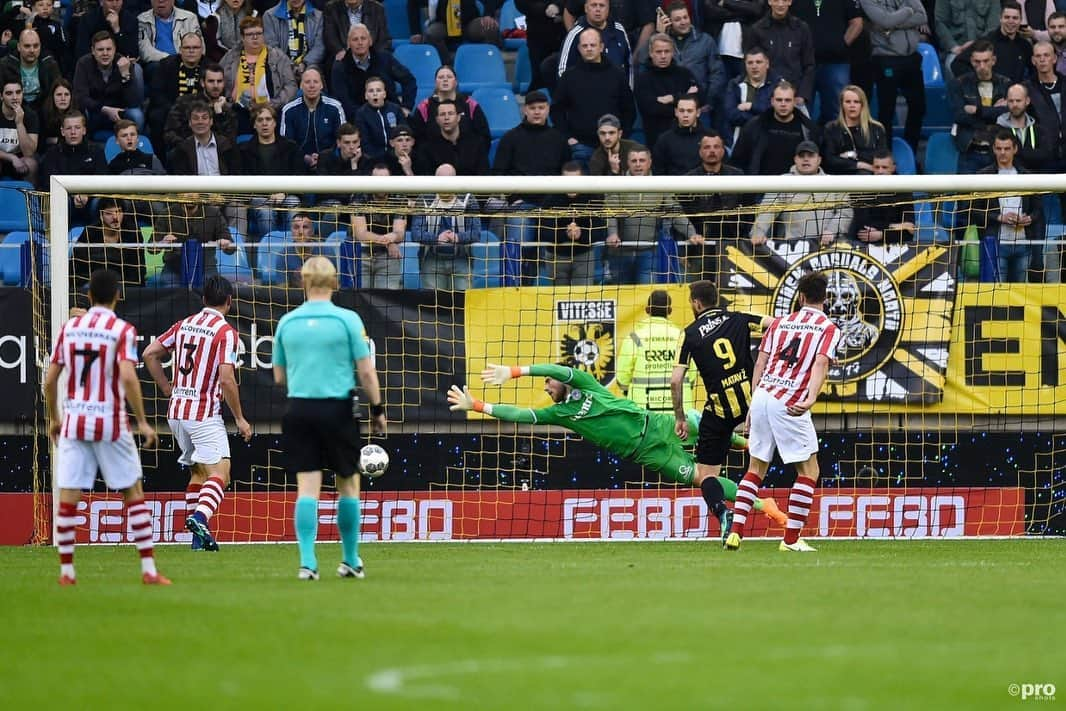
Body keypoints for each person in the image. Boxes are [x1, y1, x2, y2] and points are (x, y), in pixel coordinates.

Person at [447, 363, 786, 542]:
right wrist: (478, 405)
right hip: (648, 454)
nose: (546, 386)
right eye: (545, 385)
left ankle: (750, 444)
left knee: (703, 423)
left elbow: (553, 368)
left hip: (656, 425)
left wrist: (515, 372)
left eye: (549, 383)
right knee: (702, 477)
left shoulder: (585, 383)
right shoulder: (559, 414)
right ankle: (761, 505)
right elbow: (520, 415)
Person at [44, 268, 169, 585]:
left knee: (69, 493)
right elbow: (128, 376)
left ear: (88, 296)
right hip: (110, 421)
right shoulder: (121, 329)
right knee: (132, 491)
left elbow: (50, 380)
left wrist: (54, 418)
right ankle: (148, 570)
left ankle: (67, 573)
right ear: (117, 296)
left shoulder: (69, 329)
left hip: (74, 421)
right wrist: (142, 421)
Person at [273, 256, 386, 580]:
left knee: (307, 487)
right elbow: (366, 371)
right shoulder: (348, 320)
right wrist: (378, 409)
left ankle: (307, 563)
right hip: (338, 408)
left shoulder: (287, 323)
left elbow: (279, 376)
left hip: (299, 409)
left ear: (304, 282)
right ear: (335, 283)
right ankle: (350, 560)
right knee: (348, 484)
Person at [724, 270, 841, 552]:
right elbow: (821, 362)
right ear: (825, 299)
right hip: (790, 402)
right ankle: (790, 540)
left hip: (764, 396)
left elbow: (761, 362)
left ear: (800, 297)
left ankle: (735, 532)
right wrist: (811, 396)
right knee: (809, 470)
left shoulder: (780, 323)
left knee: (755, 468)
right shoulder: (828, 328)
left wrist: (753, 402)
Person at [143, 275, 252, 552]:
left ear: (203, 300)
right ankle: (200, 517)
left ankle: (196, 543)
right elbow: (227, 379)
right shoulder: (225, 331)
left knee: (198, 473)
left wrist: (168, 388)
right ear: (229, 301)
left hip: (177, 411)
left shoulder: (184, 324)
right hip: (203, 414)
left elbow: (149, 354)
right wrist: (239, 418)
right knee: (221, 473)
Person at [672, 279, 775, 538]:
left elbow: (675, 380)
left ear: (696, 303)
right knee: (773, 459)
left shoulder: (690, 333)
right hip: (753, 403)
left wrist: (680, 417)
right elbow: (774, 324)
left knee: (705, 474)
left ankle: (722, 512)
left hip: (720, 410)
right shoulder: (738, 318)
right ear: (715, 299)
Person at [750, 140, 852, 246]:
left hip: (831, 247)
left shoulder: (835, 183)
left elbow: (846, 212)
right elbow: (767, 210)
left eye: (811, 155)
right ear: (795, 160)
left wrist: (832, 230)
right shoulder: (783, 182)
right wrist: (758, 232)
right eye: (801, 155)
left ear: (819, 160)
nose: (806, 159)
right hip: (795, 249)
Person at [975, 130, 1043, 283]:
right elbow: (973, 211)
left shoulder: (1027, 177)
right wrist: (999, 217)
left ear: (1015, 149)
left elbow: (1038, 209)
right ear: (993, 149)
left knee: (1021, 297)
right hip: (996, 243)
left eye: (1006, 149)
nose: (1002, 153)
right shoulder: (982, 177)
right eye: (999, 149)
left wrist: (1029, 218)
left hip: (1023, 243)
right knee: (995, 296)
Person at [860, 0, 927, 151]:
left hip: (911, 57)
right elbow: (885, 20)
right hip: (886, 58)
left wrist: (891, 24)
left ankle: (911, 151)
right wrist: (909, 11)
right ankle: (886, 154)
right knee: (887, 110)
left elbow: (922, 17)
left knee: (919, 106)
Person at [617, 289, 694, 414]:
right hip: (679, 412)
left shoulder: (635, 338)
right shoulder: (682, 337)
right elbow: (692, 375)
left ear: (647, 310)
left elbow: (622, 377)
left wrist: (631, 392)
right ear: (669, 311)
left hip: (643, 412)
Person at [410, 163, 482, 290]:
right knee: (433, 305)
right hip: (431, 259)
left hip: (461, 259)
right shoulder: (424, 198)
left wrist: (457, 237)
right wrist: (437, 238)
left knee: (462, 303)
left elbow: (476, 233)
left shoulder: (468, 199)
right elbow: (416, 233)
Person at [537, 161, 606, 285]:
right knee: (558, 300)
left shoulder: (592, 199)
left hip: (583, 255)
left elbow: (600, 231)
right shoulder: (551, 199)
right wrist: (566, 235)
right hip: (556, 256)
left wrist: (581, 235)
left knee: (581, 299)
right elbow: (543, 232)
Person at [949, 40, 1011, 174]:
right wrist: (992, 113)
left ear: (993, 60)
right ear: (971, 61)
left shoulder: (1005, 83)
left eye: (986, 61)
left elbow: (1007, 115)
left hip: (997, 151)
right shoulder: (959, 83)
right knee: (965, 195)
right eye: (977, 62)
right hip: (970, 150)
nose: (982, 66)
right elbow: (960, 116)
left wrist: (977, 110)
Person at [71, 197, 146, 291]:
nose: (115, 217)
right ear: (101, 216)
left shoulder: (132, 232)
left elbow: (138, 269)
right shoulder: (90, 232)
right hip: (93, 283)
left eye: (118, 211)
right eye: (108, 213)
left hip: (123, 285)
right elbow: (76, 266)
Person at [351, 164, 407, 289]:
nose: (382, 185)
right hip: (361, 255)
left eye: (385, 181)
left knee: (388, 302)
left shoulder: (399, 198)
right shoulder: (359, 197)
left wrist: (391, 239)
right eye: (377, 181)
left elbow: (399, 232)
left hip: (388, 256)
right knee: (358, 301)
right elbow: (361, 234)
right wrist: (388, 242)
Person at [847, 149, 916, 244]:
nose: (880, 171)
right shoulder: (862, 189)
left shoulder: (904, 191)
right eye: (877, 167)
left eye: (884, 167)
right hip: (864, 244)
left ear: (893, 168)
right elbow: (862, 229)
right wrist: (896, 226)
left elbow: (909, 232)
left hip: (895, 245)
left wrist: (882, 235)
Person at [819, 84, 888, 175]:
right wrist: (859, 164)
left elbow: (880, 157)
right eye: (848, 102)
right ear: (842, 105)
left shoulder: (877, 128)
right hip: (839, 177)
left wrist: (852, 154)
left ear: (863, 105)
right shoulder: (831, 128)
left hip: (869, 177)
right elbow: (830, 160)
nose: (852, 105)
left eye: (856, 102)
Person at [0, 79, 38, 183]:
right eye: (9, 93)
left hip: (20, 161)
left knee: (31, 164)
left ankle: (29, 198)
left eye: (18, 92)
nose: (15, 97)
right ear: (1, 96)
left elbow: (29, 152)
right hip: (4, 157)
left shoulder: (30, 115)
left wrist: (19, 123)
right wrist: (11, 157)